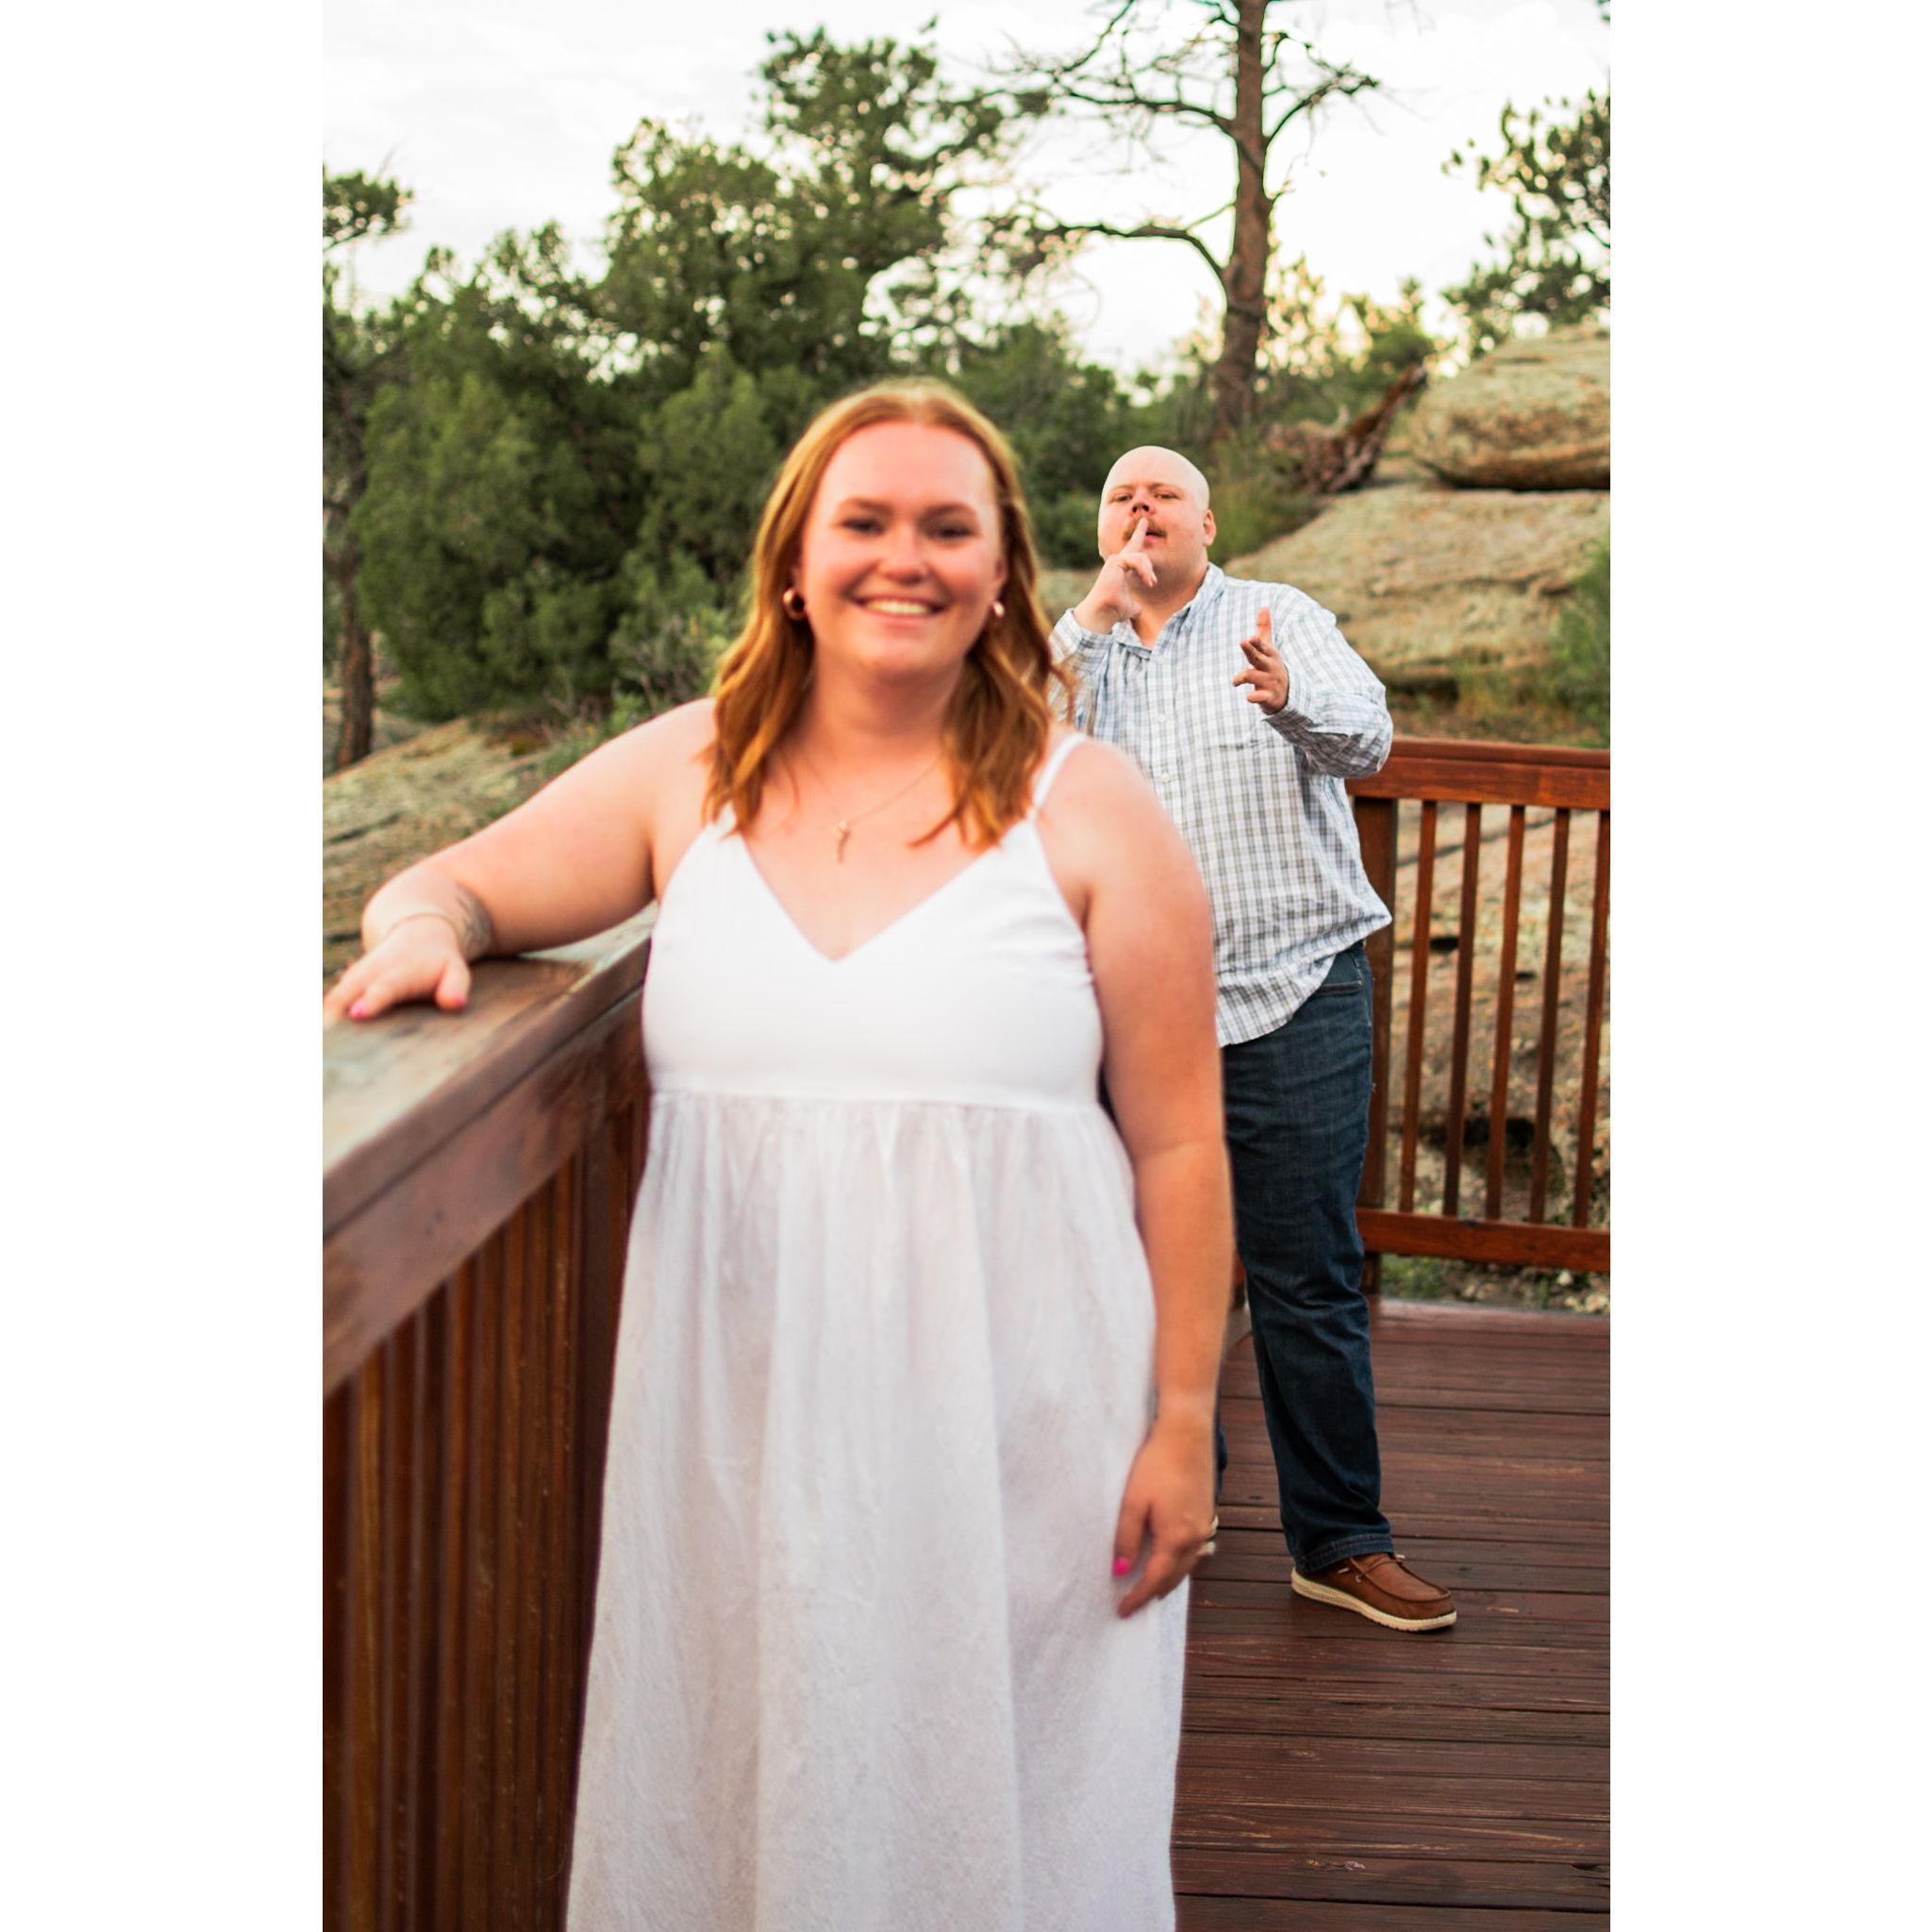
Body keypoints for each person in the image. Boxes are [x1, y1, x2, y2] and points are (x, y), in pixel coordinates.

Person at [324, 386, 1233, 1929]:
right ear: (793, 566)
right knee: (745, 1792)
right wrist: (415, 931)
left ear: (1004, 570)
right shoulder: (693, 773)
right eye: (862, 522)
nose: (906, 557)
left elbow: (1180, 1139)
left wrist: (1186, 1416)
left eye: (948, 527)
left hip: (1023, 1429)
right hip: (734, 1423)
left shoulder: (1089, 811)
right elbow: (458, 883)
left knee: (1004, 1819)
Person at [1051, 445, 1458, 1635]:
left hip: (1294, 989)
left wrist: (1288, 697)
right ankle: (1183, 1500)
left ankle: (1337, 1541)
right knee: (1129, 1273)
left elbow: (1368, 740)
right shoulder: (1072, 650)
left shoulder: (1275, 616)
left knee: (1305, 1274)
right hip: (1127, 1009)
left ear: (1207, 520)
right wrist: (1087, 616)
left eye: (1162, 493)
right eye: (1119, 493)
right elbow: (990, 751)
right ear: (1101, 525)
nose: (1140, 508)